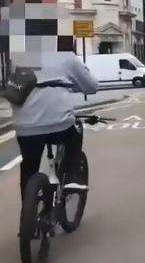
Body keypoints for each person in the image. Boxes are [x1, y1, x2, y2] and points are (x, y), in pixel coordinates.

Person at [7, 52, 98, 198]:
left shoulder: (19, 55)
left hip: (25, 125)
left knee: (29, 165)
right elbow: (92, 86)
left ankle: (28, 212)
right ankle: (72, 178)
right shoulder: (66, 56)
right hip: (59, 123)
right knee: (75, 134)